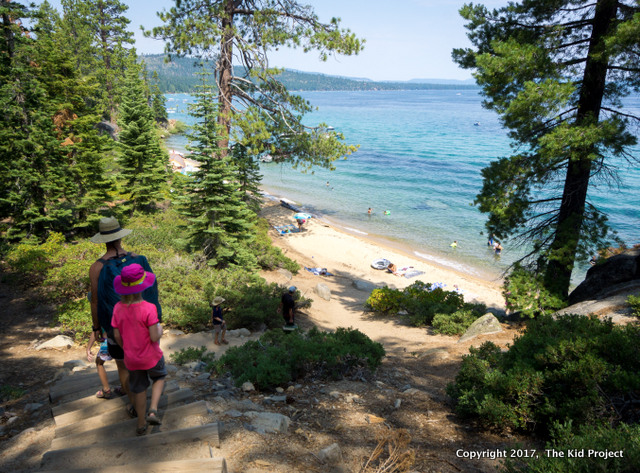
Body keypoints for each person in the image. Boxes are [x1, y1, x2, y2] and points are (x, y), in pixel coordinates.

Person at [89, 216, 161, 418]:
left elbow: (95, 301)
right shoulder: (137, 258)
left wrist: (97, 328)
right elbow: (150, 288)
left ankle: (134, 405)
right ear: (120, 236)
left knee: (123, 365)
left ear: (103, 239)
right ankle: (148, 403)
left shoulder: (97, 268)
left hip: (116, 327)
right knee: (142, 359)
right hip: (142, 323)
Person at [111, 264, 167, 436]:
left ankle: (141, 423)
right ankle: (153, 410)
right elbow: (154, 337)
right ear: (143, 286)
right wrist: (160, 330)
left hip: (131, 358)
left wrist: (126, 348)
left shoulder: (117, 308)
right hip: (151, 356)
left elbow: (117, 335)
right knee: (159, 377)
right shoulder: (149, 308)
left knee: (139, 388)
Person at [86, 329, 123, 399]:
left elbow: (96, 330)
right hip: (120, 340)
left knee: (99, 362)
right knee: (121, 363)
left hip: (107, 341)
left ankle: (106, 390)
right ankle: (124, 388)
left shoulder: (101, 317)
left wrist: (88, 348)